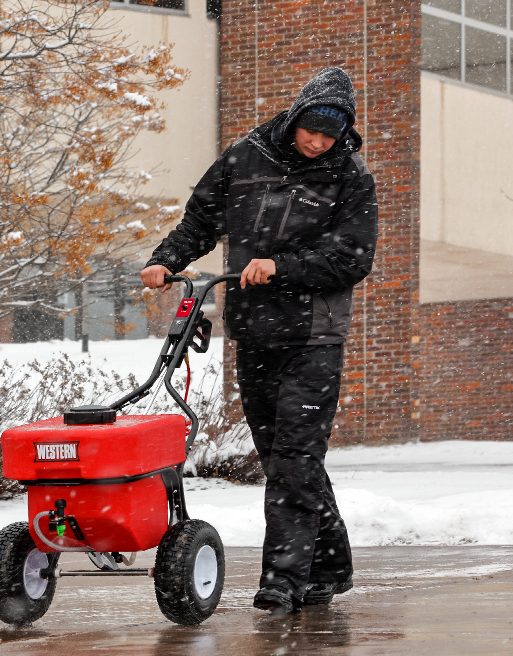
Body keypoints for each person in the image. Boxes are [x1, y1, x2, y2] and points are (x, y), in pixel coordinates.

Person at [139, 67, 377, 614]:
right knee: (282, 459)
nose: (319, 142)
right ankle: (331, 566)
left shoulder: (350, 177)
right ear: (295, 119)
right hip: (254, 332)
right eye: (312, 130)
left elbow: (353, 257)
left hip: (313, 335)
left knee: (296, 457)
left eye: (331, 135)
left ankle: (282, 582)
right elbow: (200, 219)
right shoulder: (245, 158)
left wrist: (282, 267)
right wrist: (165, 259)